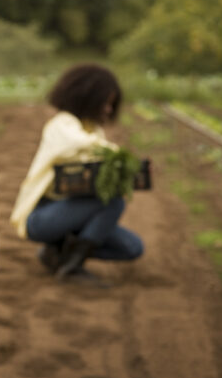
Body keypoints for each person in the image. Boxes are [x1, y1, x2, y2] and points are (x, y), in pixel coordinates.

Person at [10, 63, 143, 282]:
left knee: (132, 247)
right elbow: (74, 145)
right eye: (105, 103)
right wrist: (116, 153)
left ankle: (58, 251)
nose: (109, 110)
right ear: (88, 97)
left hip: (71, 211)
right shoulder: (62, 124)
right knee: (114, 202)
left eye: (112, 105)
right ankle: (72, 267)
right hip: (42, 215)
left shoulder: (93, 130)